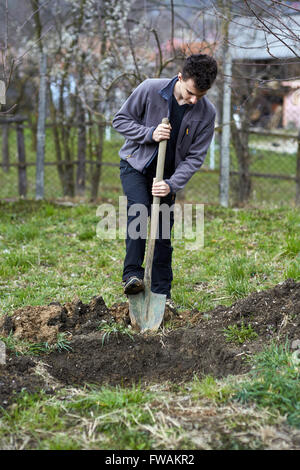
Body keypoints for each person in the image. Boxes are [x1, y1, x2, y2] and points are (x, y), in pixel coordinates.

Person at [112, 54, 218, 300]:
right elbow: (120, 120)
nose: (193, 100)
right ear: (180, 77)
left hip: (168, 176)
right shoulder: (151, 89)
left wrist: (171, 184)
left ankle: (161, 292)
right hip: (136, 165)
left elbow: (194, 157)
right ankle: (132, 275)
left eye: (200, 96)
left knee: (162, 231)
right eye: (191, 92)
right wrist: (150, 133)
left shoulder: (206, 113)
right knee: (138, 209)